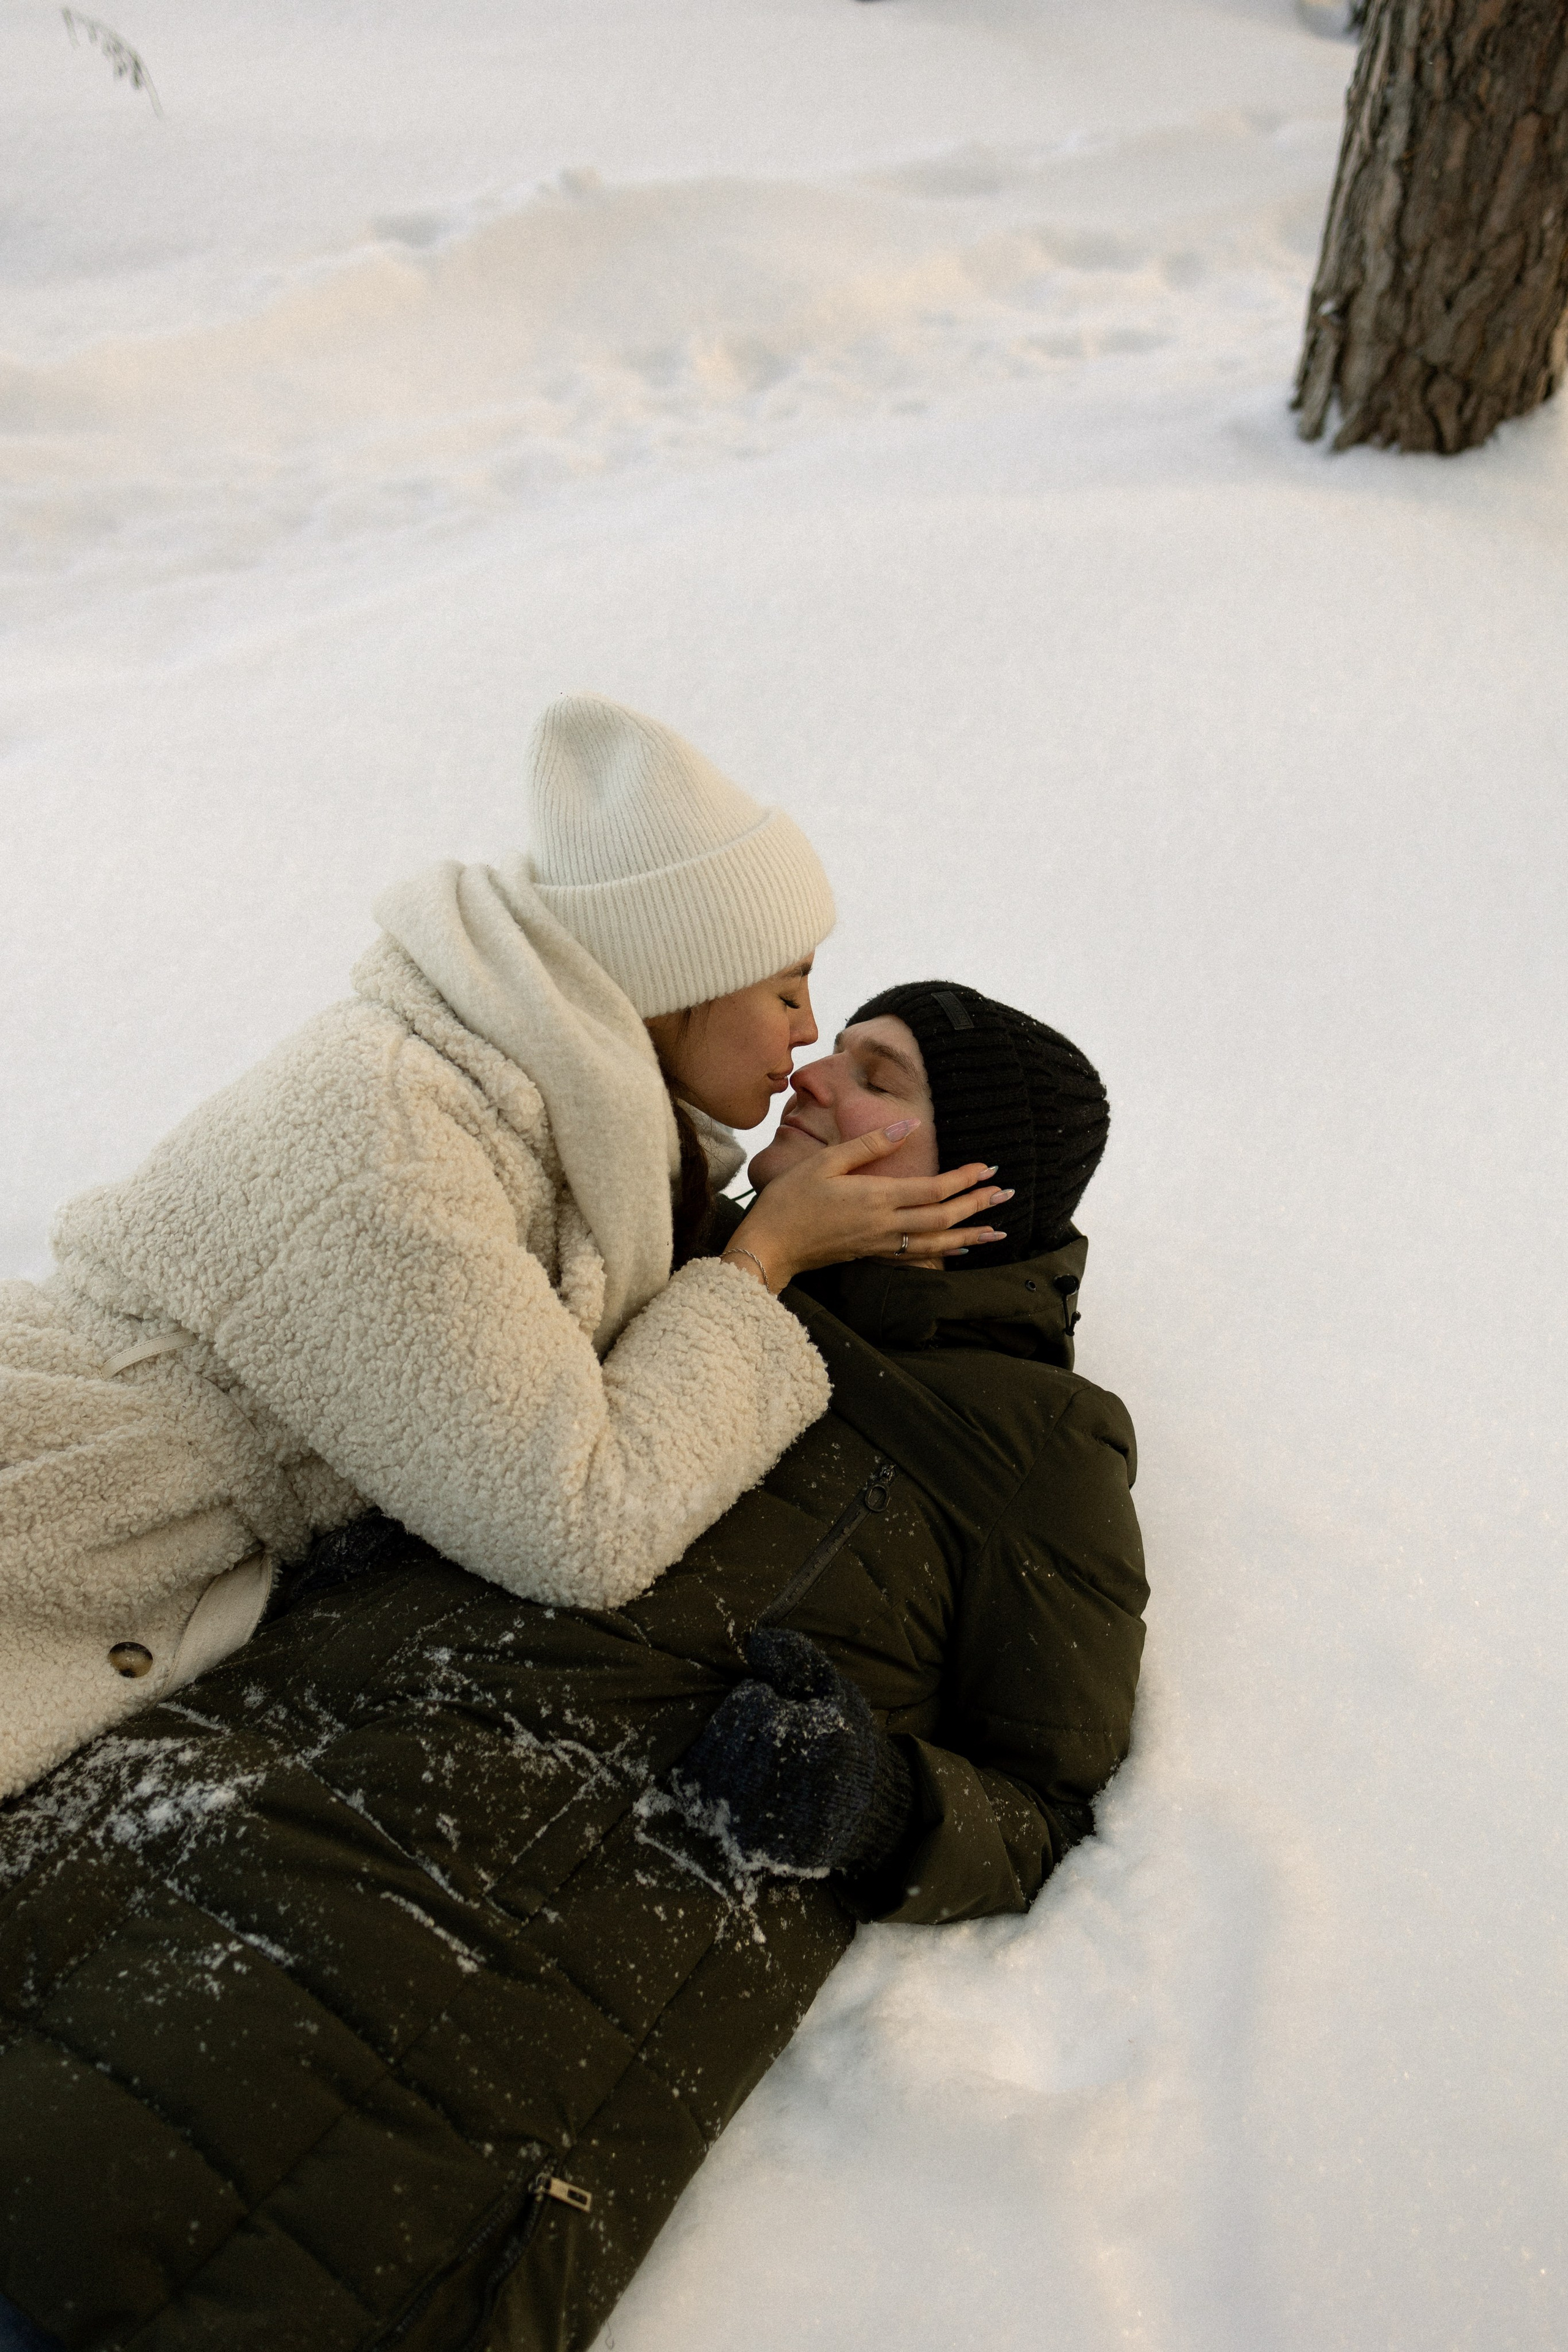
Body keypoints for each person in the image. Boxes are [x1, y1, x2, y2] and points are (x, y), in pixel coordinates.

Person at [0, 981, 1145, 2352]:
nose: (814, 1080)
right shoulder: (643, 1255)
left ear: (979, 1182)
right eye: (826, 1049)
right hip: (153, 1829)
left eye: (877, 1076)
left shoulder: (1029, 1445)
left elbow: (1050, 1797)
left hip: (428, 2020)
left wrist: (872, 1798)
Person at [0, 699, 1004, 1803]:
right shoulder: (399, 1137)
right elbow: (579, 1520)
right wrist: (761, 1264)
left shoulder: (553, 1122)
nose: (806, 1032)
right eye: (786, 988)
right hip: (49, 1521)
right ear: (679, 984)